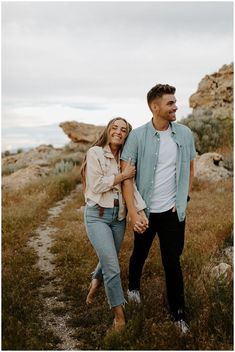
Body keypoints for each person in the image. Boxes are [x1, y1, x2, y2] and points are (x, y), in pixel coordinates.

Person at [120, 84, 196, 334]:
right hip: (146, 210)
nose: (176, 107)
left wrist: (184, 197)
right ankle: (133, 287)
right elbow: (127, 176)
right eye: (170, 103)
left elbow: (190, 166)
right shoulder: (138, 136)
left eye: (175, 102)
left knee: (172, 261)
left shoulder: (184, 133)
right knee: (140, 252)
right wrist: (134, 212)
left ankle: (178, 314)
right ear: (155, 107)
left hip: (174, 212)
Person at [80, 117, 146, 331]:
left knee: (109, 259)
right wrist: (122, 175)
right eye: (115, 127)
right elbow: (97, 185)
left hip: (118, 218)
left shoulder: (126, 158)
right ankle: (119, 317)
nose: (119, 131)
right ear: (108, 130)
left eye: (124, 129)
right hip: (97, 215)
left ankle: (95, 283)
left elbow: (132, 188)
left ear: (127, 135)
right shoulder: (95, 153)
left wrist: (140, 211)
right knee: (112, 267)